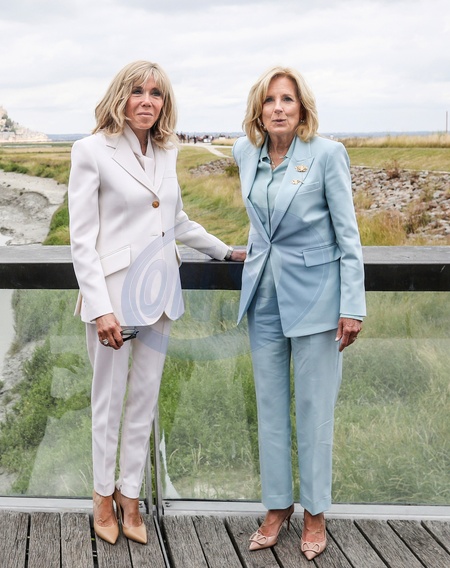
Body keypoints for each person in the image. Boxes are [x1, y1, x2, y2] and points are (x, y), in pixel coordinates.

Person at [68, 60, 245, 545]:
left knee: (144, 401)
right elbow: (81, 241)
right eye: (138, 91)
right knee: (108, 403)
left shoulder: (167, 151)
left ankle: (131, 497)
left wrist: (225, 251)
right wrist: (100, 307)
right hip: (114, 300)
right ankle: (102, 497)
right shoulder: (90, 150)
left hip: (161, 295)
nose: (147, 101)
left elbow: (176, 218)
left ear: (165, 103)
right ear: (120, 97)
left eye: (157, 93)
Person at [233, 66, 366, 561]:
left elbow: (348, 235)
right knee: (269, 409)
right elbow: (262, 226)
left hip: (318, 299)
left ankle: (314, 513)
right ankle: (277, 506)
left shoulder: (327, 155)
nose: (278, 108)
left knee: (314, 412)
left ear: (302, 107)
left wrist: (352, 305)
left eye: (287, 99)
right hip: (263, 299)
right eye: (270, 100)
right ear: (258, 110)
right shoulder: (244, 152)